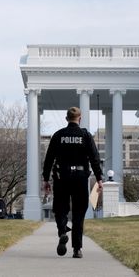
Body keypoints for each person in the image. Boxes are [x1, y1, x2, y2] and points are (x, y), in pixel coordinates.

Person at [42, 106, 103, 258]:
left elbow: (49, 159)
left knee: (60, 207)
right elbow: (95, 159)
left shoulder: (58, 135)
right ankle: (77, 249)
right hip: (80, 177)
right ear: (80, 118)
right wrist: (100, 179)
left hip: (62, 176)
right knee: (79, 213)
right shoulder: (85, 135)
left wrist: (45, 179)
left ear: (66, 118)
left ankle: (62, 230)